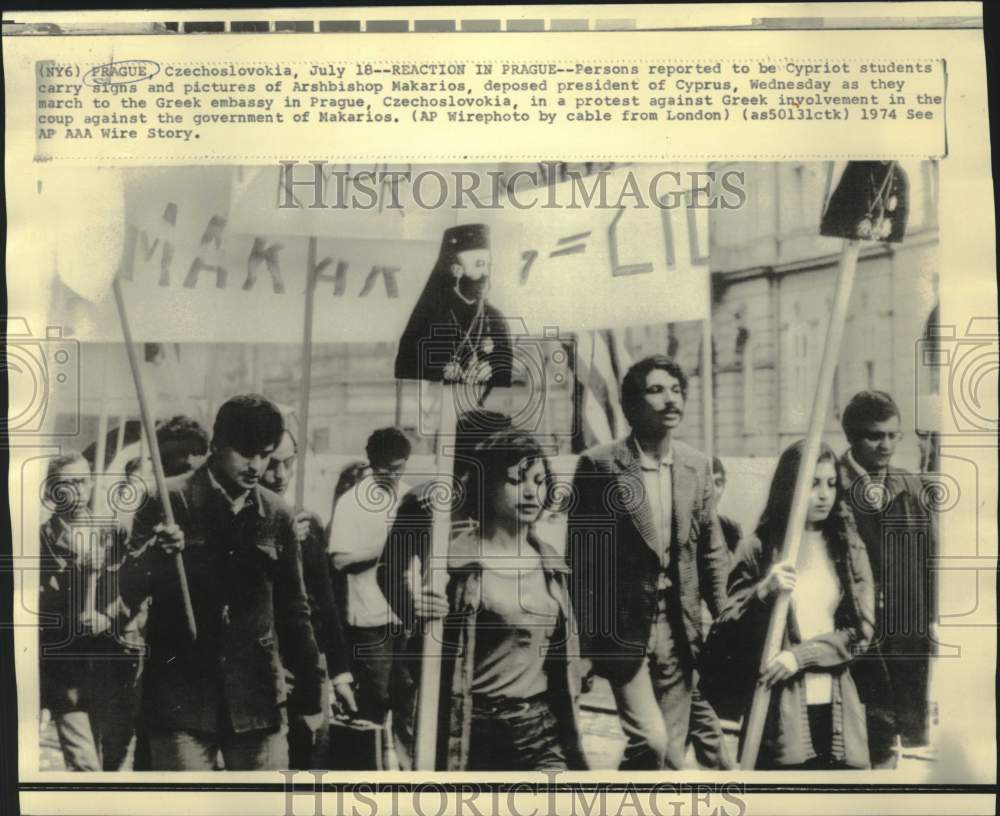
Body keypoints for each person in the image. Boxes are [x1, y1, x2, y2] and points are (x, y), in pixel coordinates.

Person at [121, 395, 324, 771]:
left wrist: (310, 695)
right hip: (181, 697)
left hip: (257, 698)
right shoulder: (166, 500)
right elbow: (127, 592)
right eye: (246, 453)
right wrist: (155, 555)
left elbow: (295, 611)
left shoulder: (277, 515)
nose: (256, 466)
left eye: (264, 455)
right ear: (217, 445)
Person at [567, 354, 731, 770]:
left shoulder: (697, 466)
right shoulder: (599, 465)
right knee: (652, 740)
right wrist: (585, 643)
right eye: (656, 390)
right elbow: (583, 563)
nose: (670, 400)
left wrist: (728, 618)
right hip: (624, 628)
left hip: (679, 624)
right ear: (632, 405)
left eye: (676, 390)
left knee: (672, 752)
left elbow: (711, 551)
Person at [388, 431, 588, 770]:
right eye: (515, 480)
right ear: (487, 485)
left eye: (539, 481)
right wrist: (423, 619)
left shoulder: (551, 563)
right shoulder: (454, 565)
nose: (530, 492)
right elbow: (419, 669)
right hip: (472, 733)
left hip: (540, 732)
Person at [715, 441, 876, 769]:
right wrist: (763, 592)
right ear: (789, 486)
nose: (823, 495)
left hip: (838, 706)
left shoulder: (848, 548)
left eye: (831, 484)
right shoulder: (758, 548)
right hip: (778, 711)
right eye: (812, 484)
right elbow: (727, 629)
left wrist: (798, 657)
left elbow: (862, 631)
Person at [377, 409, 513, 769]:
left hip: (498, 654)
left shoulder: (515, 503)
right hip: (435, 650)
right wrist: (415, 609)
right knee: (426, 754)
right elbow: (389, 571)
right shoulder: (426, 503)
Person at [838, 391, 937, 768]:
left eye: (893, 436)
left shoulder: (909, 487)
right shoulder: (831, 488)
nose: (886, 445)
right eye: (874, 436)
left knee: (901, 738)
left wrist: (930, 618)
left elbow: (930, 558)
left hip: (905, 631)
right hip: (855, 629)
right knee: (859, 734)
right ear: (852, 436)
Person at [38, 452, 142, 771]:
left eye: (84, 481)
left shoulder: (112, 533)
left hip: (112, 662)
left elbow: (134, 589)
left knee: (112, 758)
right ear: (50, 491)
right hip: (66, 669)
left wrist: (108, 617)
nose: (80, 490)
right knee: (85, 764)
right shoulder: (40, 540)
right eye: (69, 483)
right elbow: (35, 606)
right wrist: (74, 582)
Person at [261, 430, 357, 769]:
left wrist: (341, 673)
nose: (281, 476)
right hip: (258, 671)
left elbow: (325, 601)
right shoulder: (233, 525)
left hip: (305, 668)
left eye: (288, 464)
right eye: (271, 464)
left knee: (310, 762)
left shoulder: (307, 522)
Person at [328, 428, 411, 737]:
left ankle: (406, 776)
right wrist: (385, 550)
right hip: (369, 620)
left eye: (398, 469)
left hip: (406, 615)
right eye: (384, 471)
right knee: (374, 701)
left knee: (409, 700)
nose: (391, 477)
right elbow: (340, 561)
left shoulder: (410, 498)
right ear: (372, 465)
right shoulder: (351, 503)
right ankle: (369, 771)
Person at [394, 223, 512, 388]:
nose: (486, 273)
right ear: (455, 269)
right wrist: (441, 373)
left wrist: (492, 375)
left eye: (488, 265)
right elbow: (409, 374)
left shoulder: (495, 320)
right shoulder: (427, 319)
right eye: (479, 265)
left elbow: (506, 380)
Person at [712, 457, 743, 554]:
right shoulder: (681, 527)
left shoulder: (731, 528)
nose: (712, 490)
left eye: (718, 483)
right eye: (706, 482)